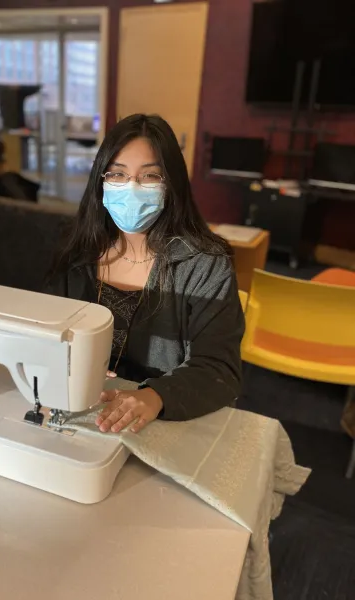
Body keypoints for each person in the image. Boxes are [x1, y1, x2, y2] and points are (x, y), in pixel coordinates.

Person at [48, 114, 245, 434]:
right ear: (101, 180)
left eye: (151, 177)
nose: (132, 188)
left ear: (171, 184)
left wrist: (154, 396)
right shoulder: (77, 251)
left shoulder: (205, 264)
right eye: (118, 174)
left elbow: (218, 368)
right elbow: (44, 326)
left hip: (162, 422)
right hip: (82, 409)